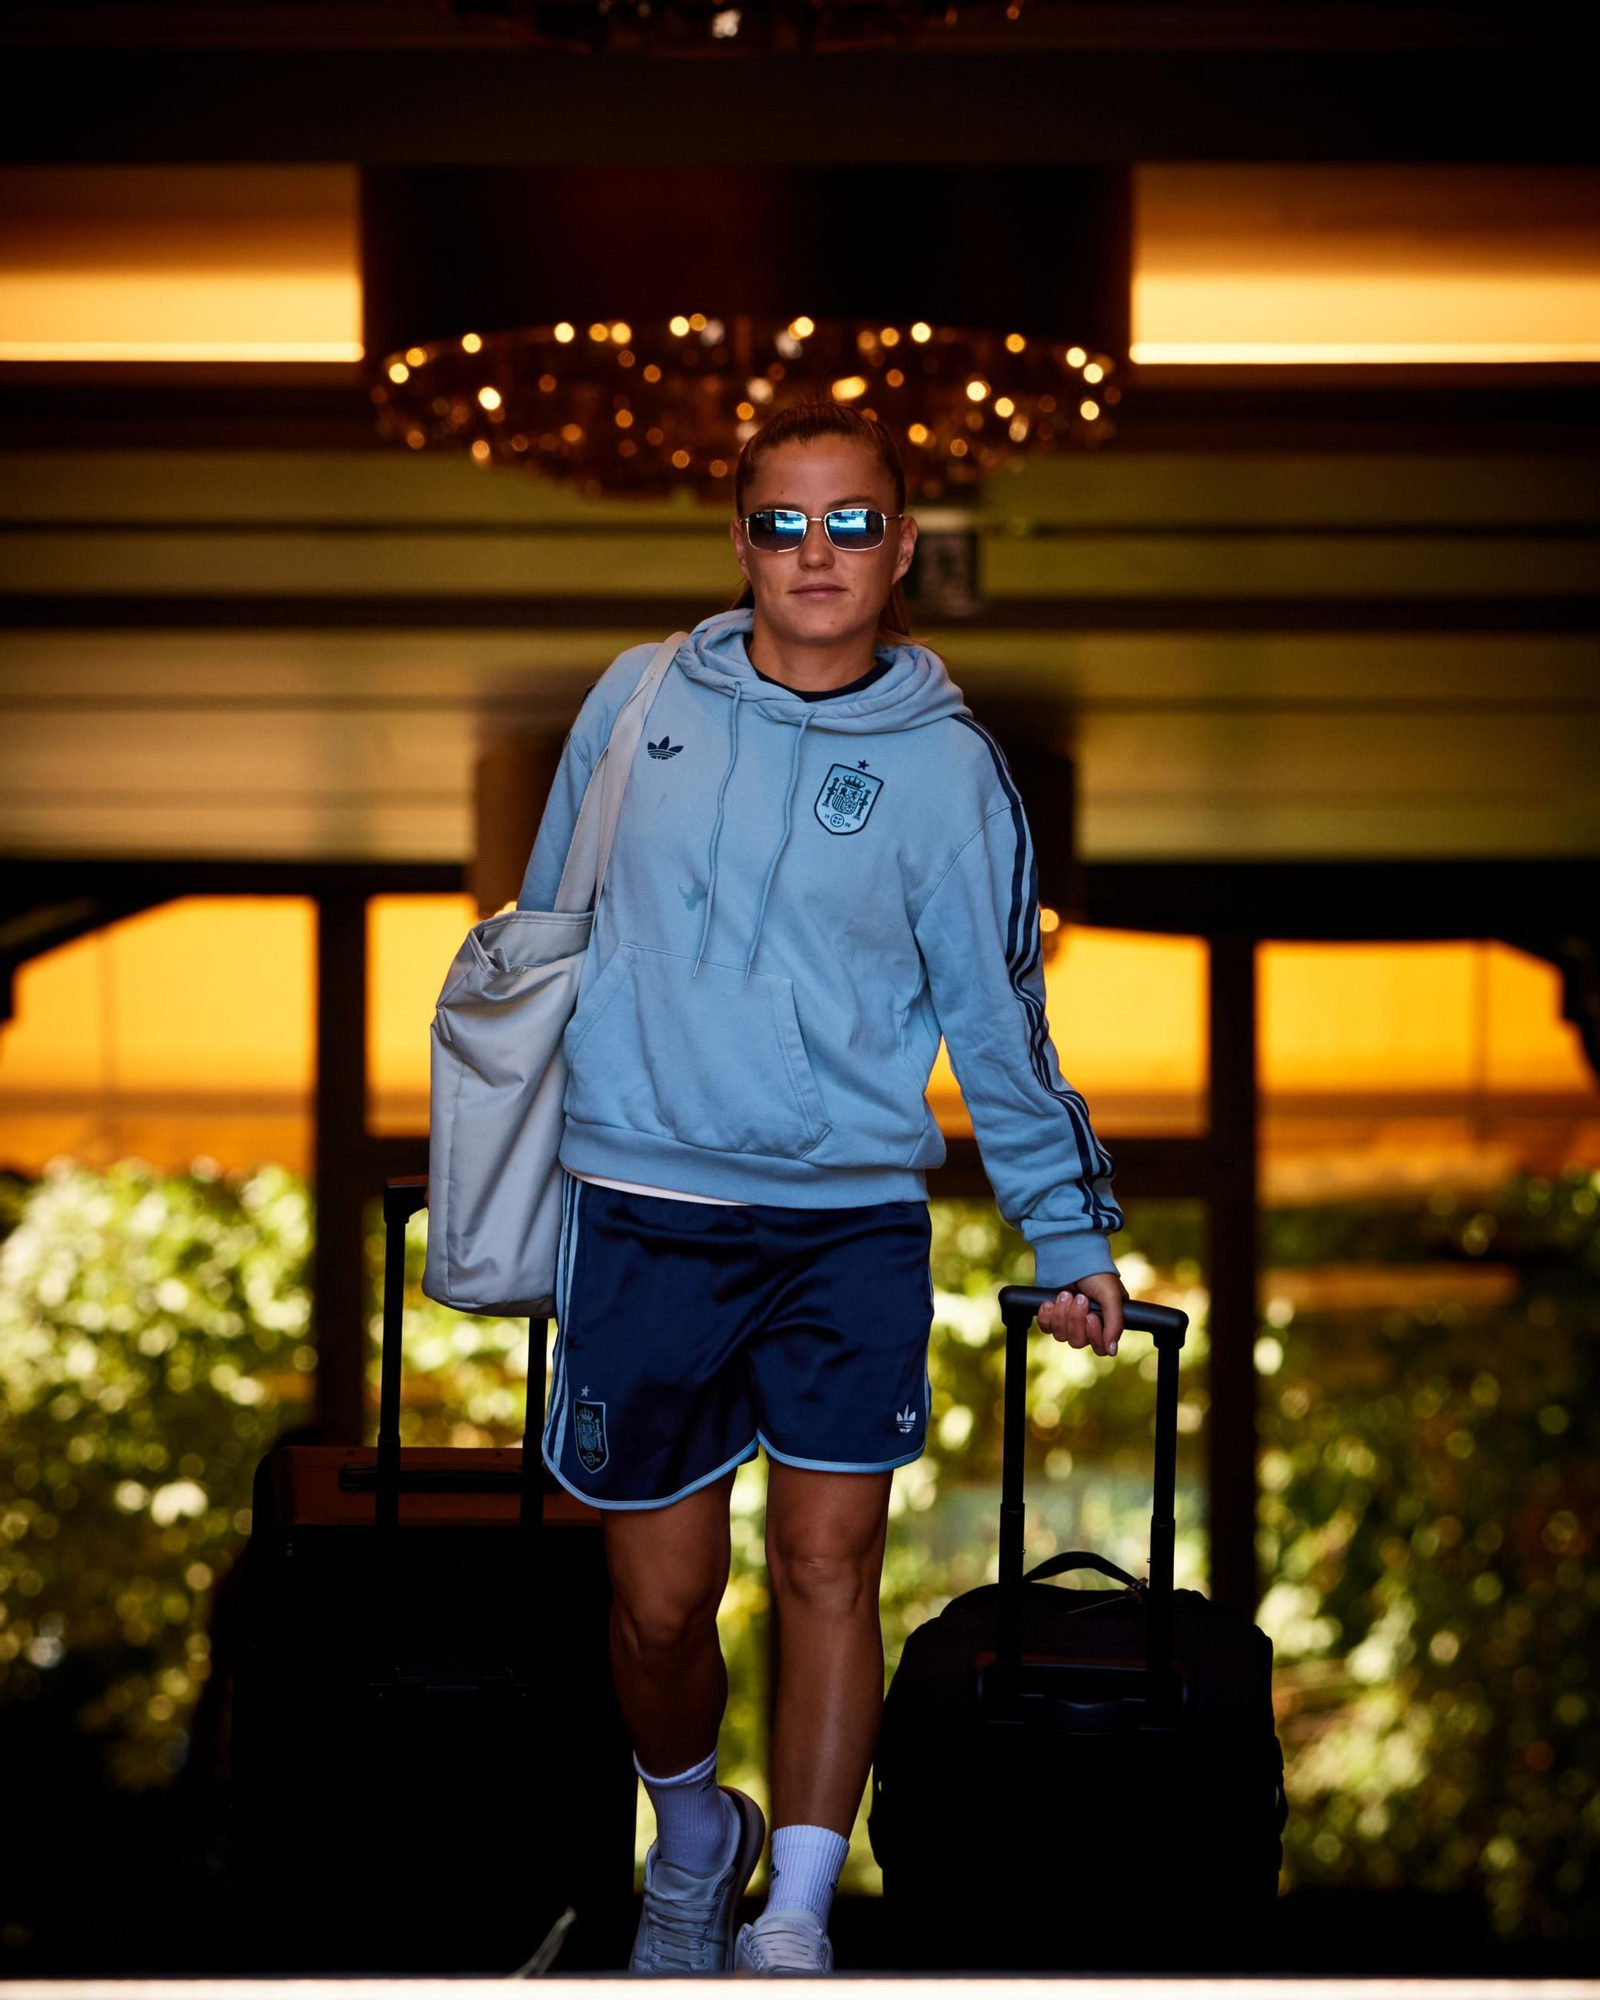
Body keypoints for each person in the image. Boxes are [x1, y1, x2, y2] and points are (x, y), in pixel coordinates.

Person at [518, 402, 1128, 1975]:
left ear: (901, 546)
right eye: (783, 522)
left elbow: (1000, 1022)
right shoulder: (639, 699)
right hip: (641, 1207)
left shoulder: (950, 772)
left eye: (851, 522)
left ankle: (792, 1919)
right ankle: (690, 1834)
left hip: (847, 1221)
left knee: (824, 1565)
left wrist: (1067, 1232)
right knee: (660, 1607)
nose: (816, 553)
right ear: (740, 540)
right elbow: (543, 938)